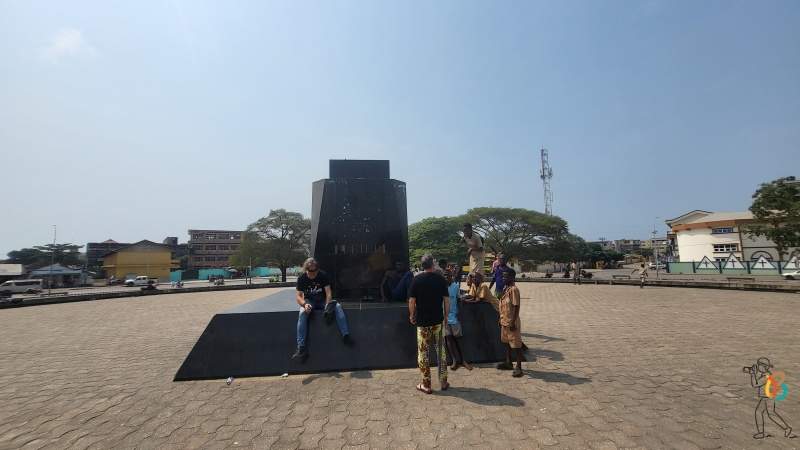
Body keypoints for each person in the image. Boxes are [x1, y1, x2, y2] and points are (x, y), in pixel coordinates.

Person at [292, 257, 351, 361]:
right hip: (310, 301)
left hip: (322, 300)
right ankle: (301, 347)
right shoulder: (302, 278)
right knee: (302, 313)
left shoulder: (322, 275)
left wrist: (328, 306)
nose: (313, 274)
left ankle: (345, 335)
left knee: (337, 306)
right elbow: (298, 297)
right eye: (311, 272)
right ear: (306, 269)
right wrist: (305, 305)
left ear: (317, 269)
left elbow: (328, 293)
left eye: (315, 272)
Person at [408, 254, 450, 394]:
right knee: (441, 352)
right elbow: (446, 300)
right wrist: (446, 316)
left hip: (422, 323)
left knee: (423, 353)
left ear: (422, 265)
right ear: (432, 264)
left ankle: (426, 384)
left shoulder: (416, 280)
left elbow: (412, 301)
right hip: (437, 321)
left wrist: (411, 315)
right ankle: (443, 382)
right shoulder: (440, 279)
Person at [746, 357, 794, 439]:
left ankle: (786, 428)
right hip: (766, 396)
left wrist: (752, 374)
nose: (757, 367)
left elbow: (755, 384)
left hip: (768, 397)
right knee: (760, 412)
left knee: (770, 414)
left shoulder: (767, 376)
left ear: (763, 367)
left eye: (759, 365)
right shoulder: (765, 374)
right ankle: (762, 432)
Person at [497, 268, 523, 377]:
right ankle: (508, 362)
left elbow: (516, 306)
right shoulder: (505, 289)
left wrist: (512, 322)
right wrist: (500, 319)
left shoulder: (514, 290)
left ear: (512, 277)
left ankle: (519, 367)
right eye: (503, 276)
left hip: (512, 322)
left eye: (506, 276)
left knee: (516, 345)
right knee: (506, 342)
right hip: (504, 320)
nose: (503, 278)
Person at [444, 270, 472, 371]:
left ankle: (463, 360)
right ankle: (454, 360)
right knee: (448, 339)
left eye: (448, 275)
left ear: (451, 276)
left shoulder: (455, 286)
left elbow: (459, 298)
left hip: (454, 316)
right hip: (444, 318)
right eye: (444, 276)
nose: (446, 277)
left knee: (458, 339)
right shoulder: (441, 287)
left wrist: (466, 299)